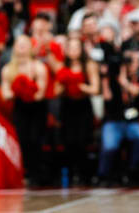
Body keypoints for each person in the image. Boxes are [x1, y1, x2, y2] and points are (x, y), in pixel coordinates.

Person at [97, 51, 139, 185]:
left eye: (134, 61)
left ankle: (133, 170)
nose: (132, 65)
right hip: (113, 121)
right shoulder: (112, 79)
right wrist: (107, 78)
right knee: (109, 146)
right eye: (129, 62)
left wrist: (124, 82)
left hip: (133, 122)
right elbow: (107, 98)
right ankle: (103, 175)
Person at [1, 35, 49, 185]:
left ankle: (40, 173)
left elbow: (41, 93)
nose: (21, 46)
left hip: (37, 107)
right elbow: (5, 93)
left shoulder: (38, 67)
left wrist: (29, 90)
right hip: (20, 106)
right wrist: (18, 91)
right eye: (18, 44)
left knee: (36, 139)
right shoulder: (8, 69)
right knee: (23, 139)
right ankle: (28, 172)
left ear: (30, 47)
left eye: (24, 44)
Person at [56, 37, 100, 185]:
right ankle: (71, 174)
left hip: (83, 106)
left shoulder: (89, 65)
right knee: (68, 142)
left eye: (76, 47)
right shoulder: (63, 66)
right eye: (70, 48)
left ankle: (84, 175)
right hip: (67, 107)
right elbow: (56, 90)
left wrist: (79, 85)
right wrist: (65, 84)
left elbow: (96, 89)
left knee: (82, 142)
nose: (73, 51)